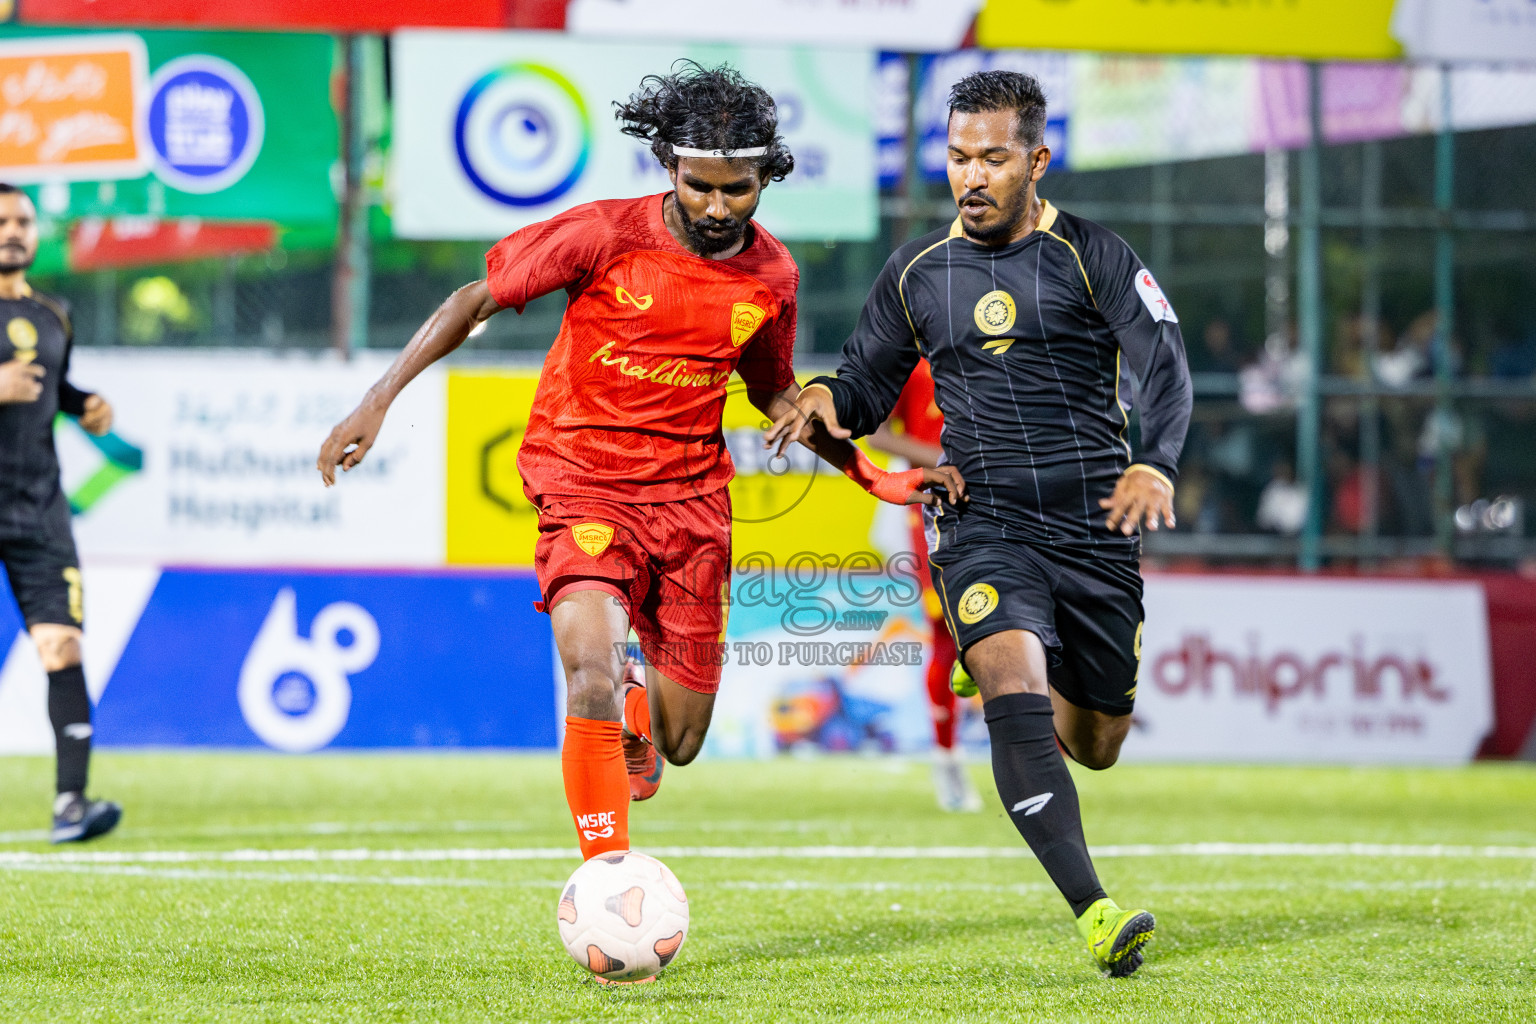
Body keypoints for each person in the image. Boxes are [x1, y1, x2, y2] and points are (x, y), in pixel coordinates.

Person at [317, 64, 962, 866]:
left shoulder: (773, 278)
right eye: (700, 187)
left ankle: (634, 709)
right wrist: (377, 398)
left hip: (693, 507)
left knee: (681, 744)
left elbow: (776, 394)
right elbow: (470, 301)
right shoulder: (602, 234)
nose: (718, 207)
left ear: (767, 177)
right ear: (668, 166)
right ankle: (607, 880)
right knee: (588, 669)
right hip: (582, 484)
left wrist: (875, 475)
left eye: (739, 189)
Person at [767, 70, 1192, 977]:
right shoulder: (919, 271)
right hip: (978, 519)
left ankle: (1010, 665)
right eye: (959, 156)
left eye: (994, 158)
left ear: (1036, 159)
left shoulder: (1095, 255)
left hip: (1095, 530)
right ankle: (1095, 911)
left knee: (1098, 743)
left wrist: (1154, 459)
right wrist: (821, 398)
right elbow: (866, 383)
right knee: (1011, 685)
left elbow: (1164, 363)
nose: (973, 175)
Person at [0, 183, 121, 843]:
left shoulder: (55, 313)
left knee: (61, 644)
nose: (13, 230)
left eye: (22, 220)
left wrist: (85, 404)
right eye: (1, 221)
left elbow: (54, 387)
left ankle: (70, 805)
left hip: (38, 510)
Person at [867, 358, 981, 812]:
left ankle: (1036, 752)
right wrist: (940, 461)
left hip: (1006, 507)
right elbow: (875, 433)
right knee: (947, 634)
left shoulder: (1006, 343)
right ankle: (947, 757)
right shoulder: (914, 363)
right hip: (939, 514)